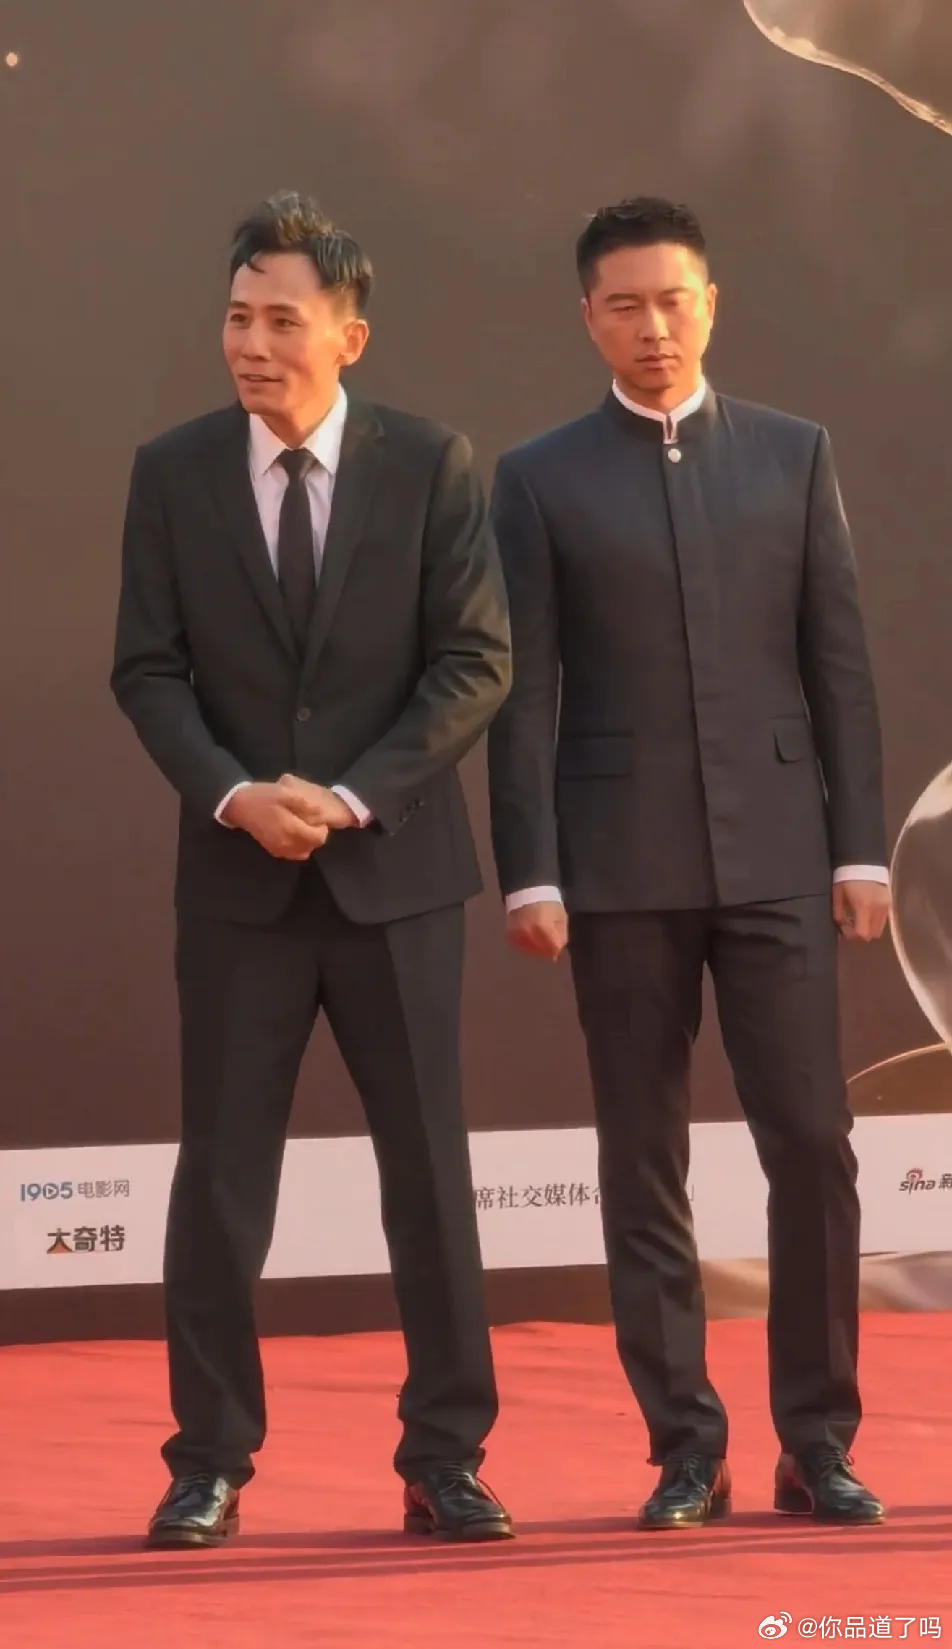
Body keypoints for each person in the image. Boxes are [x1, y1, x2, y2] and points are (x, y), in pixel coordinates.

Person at [112, 191, 513, 1549]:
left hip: (394, 876)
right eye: (238, 318)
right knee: (222, 1182)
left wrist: (346, 797)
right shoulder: (173, 472)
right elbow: (148, 670)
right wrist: (236, 793)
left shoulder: (431, 464)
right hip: (238, 884)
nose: (252, 344)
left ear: (351, 334)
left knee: (430, 1177)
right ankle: (208, 1459)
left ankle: (446, 1456)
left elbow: (476, 660)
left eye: (284, 321)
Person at [487, 196, 890, 1530]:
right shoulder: (540, 477)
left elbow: (839, 667)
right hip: (615, 869)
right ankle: (684, 1445)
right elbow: (523, 690)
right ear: (587, 318)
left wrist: (857, 847)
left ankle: (817, 1440)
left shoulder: (793, 454)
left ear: (711, 304)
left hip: (780, 858)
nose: (653, 327)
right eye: (625, 305)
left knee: (814, 1144)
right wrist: (532, 869)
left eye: (674, 300)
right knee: (641, 1155)